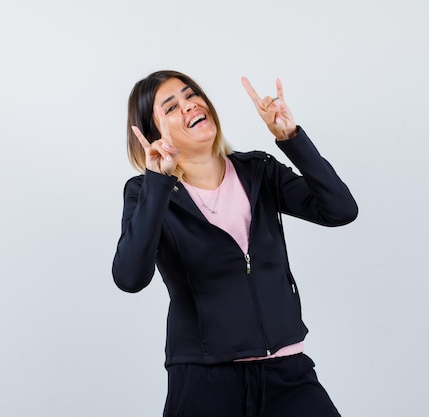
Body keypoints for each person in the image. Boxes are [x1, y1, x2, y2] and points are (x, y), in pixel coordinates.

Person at [112, 69, 358, 417]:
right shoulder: (146, 193)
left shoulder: (259, 171)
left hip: (287, 374)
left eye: (191, 94)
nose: (190, 105)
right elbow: (129, 277)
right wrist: (157, 183)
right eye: (171, 107)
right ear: (154, 135)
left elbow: (340, 210)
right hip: (205, 380)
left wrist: (292, 138)